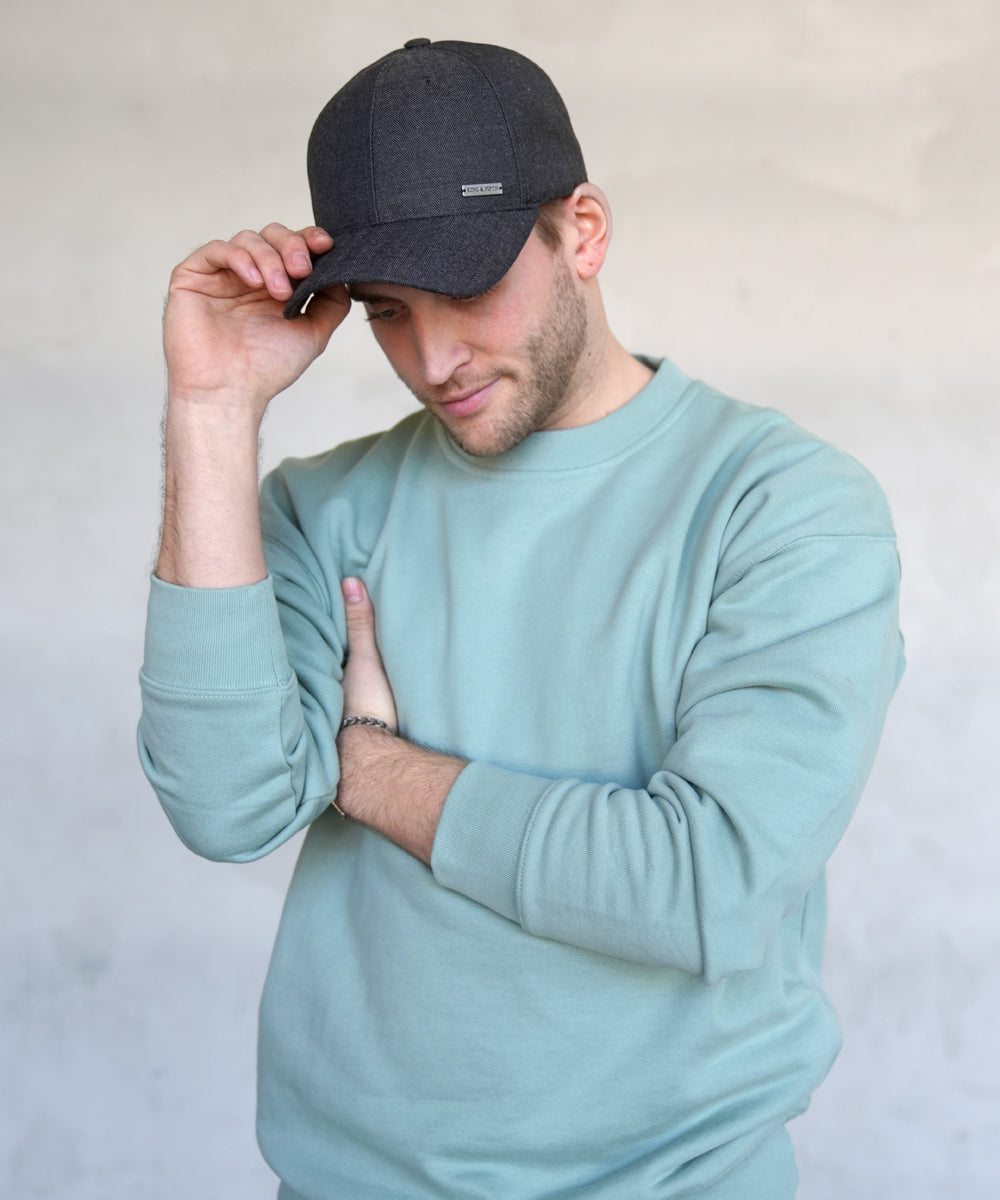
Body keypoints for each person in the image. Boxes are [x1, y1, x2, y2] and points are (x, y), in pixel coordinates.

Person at [138, 37, 904, 1200]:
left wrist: (371, 770)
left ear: (582, 233)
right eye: (387, 310)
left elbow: (707, 886)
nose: (431, 357)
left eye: (466, 287)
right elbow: (225, 806)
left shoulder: (781, 504)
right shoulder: (317, 508)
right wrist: (211, 407)